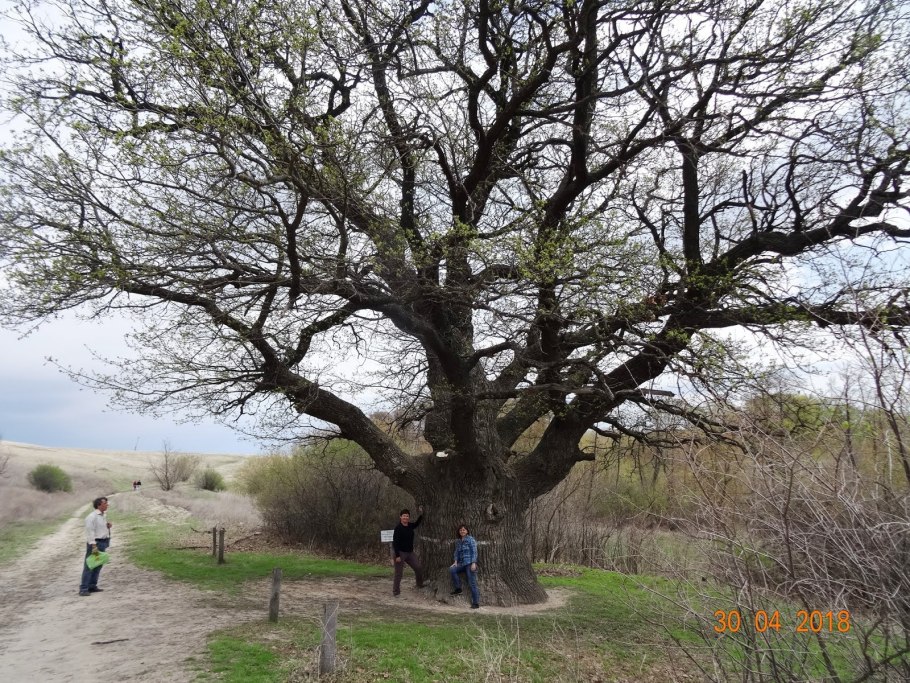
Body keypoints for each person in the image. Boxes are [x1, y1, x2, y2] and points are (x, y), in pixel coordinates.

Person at [78, 496, 112, 596]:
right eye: (105, 503)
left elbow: (99, 528)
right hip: (95, 543)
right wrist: (93, 545)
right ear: (99, 505)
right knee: (89, 565)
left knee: (98, 565)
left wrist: (107, 526)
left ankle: (92, 585)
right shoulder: (91, 517)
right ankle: (83, 588)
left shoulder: (103, 515)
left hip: (103, 542)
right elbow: (90, 532)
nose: (107, 505)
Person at [392, 506, 424, 596]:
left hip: (410, 553)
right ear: (400, 517)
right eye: (404, 516)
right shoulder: (398, 528)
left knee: (418, 568)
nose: (406, 517)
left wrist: (421, 514)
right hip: (400, 553)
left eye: (407, 516)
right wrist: (397, 556)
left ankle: (420, 584)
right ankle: (396, 592)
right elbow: (395, 543)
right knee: (399, 573)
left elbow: (417, 523)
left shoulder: (410, 525)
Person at [450, 524, 480, 608]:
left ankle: (476, 603)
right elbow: (456, 552)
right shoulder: (458, 541)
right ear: (459, 532)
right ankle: (458, 588)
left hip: (470, 563)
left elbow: (474, 551)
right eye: (460, 530)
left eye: (464, 530)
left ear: (467, 531)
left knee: (472, 583)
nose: (462, 531)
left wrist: (474, 563)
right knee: (452, 570)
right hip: (462, 563)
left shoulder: (471, 539)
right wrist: (455, 562)